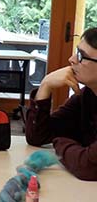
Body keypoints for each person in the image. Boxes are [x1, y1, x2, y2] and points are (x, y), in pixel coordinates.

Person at [25, 27, 97, 181]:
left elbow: (87, 166)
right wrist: (45, 85)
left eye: (81, 56)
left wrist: (59, 141)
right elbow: (37, 136)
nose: (72, 59)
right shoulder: (89, 95)